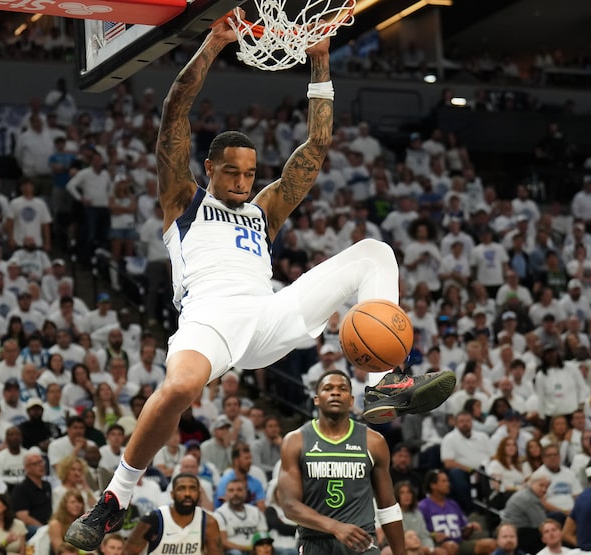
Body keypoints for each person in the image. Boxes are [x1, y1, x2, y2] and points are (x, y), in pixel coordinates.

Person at [67, 21, 453, 552]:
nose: (242, 183)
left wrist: (319, 62)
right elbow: (173, 112)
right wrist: (214, 44)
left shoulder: (263, 210)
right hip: (210, 319)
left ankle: (385, 382)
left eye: (249, 174)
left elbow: (317, 145)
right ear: (210, 168)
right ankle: (115, 498)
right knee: (179, 389)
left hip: (270, 314)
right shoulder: (182, 198)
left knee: (374, 253)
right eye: (231, 173)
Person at [278, 370, 405, 555]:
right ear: (316, 399)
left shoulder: (374, 441)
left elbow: (388, 506)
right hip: (316, 543)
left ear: (352, 400)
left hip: (363, 543)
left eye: (342, 389)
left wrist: (400, 552)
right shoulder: (295, 441)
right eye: (328, 388)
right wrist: (335, 527)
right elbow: (289, 505)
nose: (335, 392)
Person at [123, 473, 222, 555]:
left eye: (192, 488)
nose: (187, 493)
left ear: (199, 494)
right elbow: (128, 552)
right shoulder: (153, 520)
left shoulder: (209, 523)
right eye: (181, 488)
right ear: (172, 494)